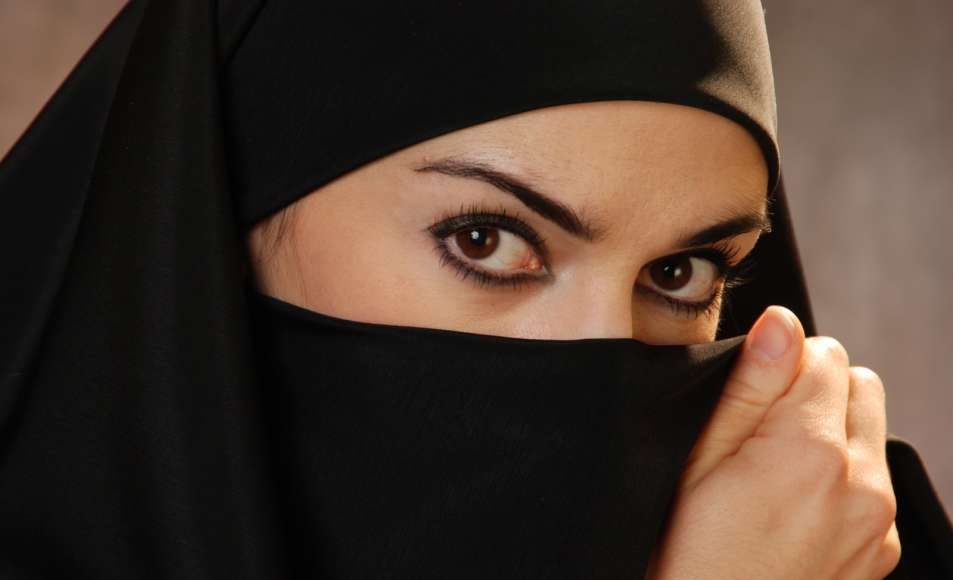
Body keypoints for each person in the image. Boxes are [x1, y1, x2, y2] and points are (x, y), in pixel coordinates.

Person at [0, 0, 950, 578]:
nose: (598, 356)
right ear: (216, 216)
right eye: (485, 240)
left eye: (677, 273)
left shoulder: (842, 552)